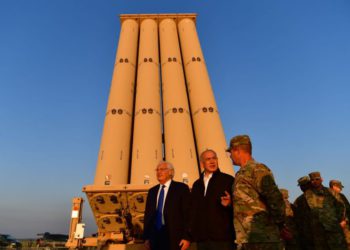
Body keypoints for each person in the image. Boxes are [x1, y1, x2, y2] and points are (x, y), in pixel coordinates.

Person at [226, 134, 288, 250]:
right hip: (246, 238)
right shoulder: (240, 174)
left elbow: (275, 199)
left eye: (231, 153)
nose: (230, 156)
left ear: (237, 151)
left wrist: (280, 225)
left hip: (264, 239)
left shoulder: (257, 169)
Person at [190, 149, 235, 250]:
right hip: (202, 239)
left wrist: (230, 204)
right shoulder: (197, 185)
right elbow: (193, 211)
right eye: (208, 159)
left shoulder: (228, 180)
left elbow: (239, 206)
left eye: (214, 158)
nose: (212, 161)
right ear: (202, 164)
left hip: (223, 239)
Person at [143, 161, 191, 250]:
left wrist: (187, 237)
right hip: (155, 239)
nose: (159, 172)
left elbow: (188, 214)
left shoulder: (181, 188)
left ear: (171, 172)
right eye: (157, 170)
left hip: (175, 238)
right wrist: (146, 238)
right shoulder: (152, 191)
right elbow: (148, 216)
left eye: (162, 169)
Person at [303, 171, 347, 250]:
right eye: (312, 180)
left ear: (321, 179)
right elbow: (304, 214)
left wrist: (340, 221)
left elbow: (341, 206)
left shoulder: (331, 192)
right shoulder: (307, 195)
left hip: (334, 228)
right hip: (317, 232)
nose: (315, 181)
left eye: (317, 179)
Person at [293, 176, 314, 250]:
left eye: (304, 185)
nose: (302, 187)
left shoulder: (321, 194)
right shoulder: (299, 200)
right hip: (306, 235)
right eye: (301, 185)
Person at [329, 180, 350, 248]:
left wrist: (345, 221)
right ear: (334, 186)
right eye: (339, 187)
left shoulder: (342, 196)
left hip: (344, 227)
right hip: (331, 228)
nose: (341, 189)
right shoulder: (326, 196)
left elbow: (348, 210)